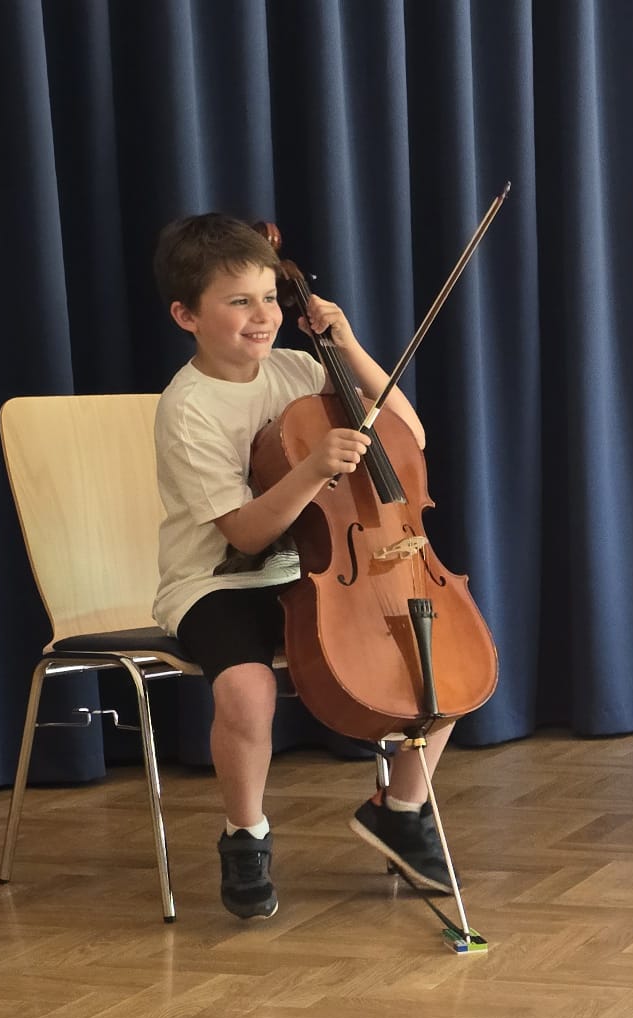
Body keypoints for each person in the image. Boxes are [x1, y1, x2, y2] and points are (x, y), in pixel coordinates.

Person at [151, 213, 452, 918]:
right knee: (247, 689)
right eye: (239, 301)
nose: (264, 315)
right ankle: (246, 834)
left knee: (435, 651)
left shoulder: (299, 368)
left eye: (269, 297)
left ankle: (402, 811)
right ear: (186, 315)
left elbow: (407, 435)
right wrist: (313, 470)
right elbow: (247, 531)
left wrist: (348, 347)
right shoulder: (188, 410)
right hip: (219, 581)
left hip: (312, 568)